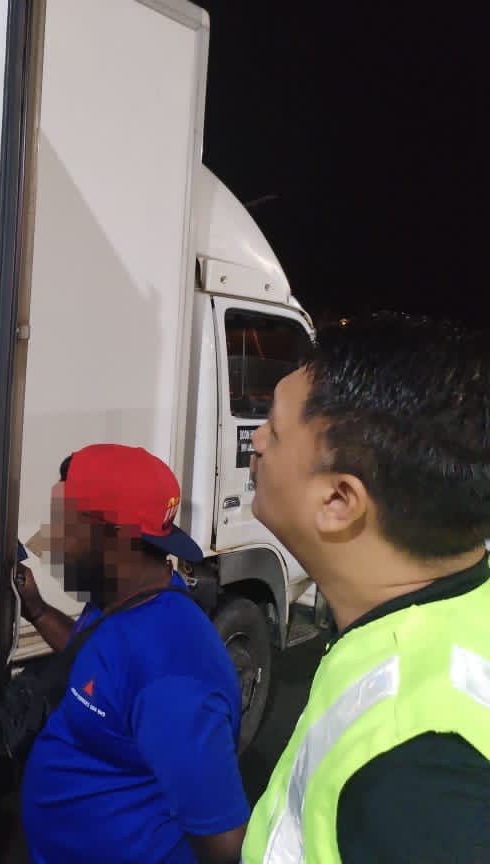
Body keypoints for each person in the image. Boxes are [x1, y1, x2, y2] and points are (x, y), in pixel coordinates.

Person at [240, 313, 490, 863]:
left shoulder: (420, 778)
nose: (256, 441)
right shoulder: (457, 608)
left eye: (273, 431)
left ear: (338, 501)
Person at [14, 444, 249, 864]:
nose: (53, 539)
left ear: (114, 537)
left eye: (64, 523)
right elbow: (102, 669)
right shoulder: (121, 602)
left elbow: (227, 847)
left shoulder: (175, 675)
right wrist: (38, 611)